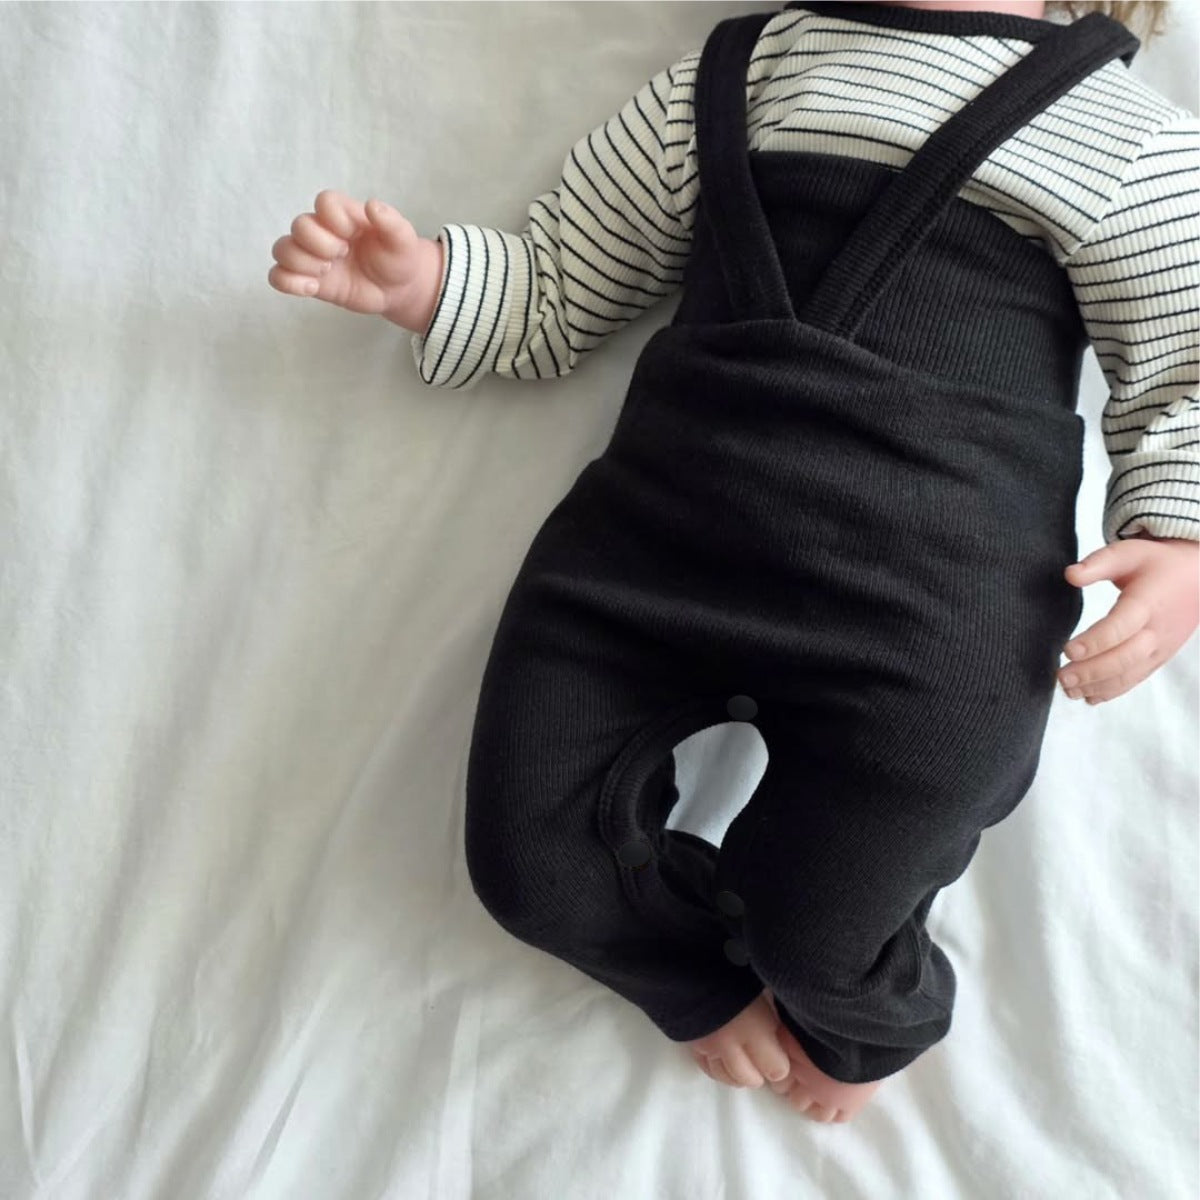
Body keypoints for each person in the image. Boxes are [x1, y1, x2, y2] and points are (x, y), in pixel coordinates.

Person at [268, 1, 1198, 1124]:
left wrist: (1178, 539)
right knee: (531, 864)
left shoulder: (1120, 134)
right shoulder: (731, 77)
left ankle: (867, 1010)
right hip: (648, 565)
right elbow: (560, 287)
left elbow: (1187, 362)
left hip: (929, 617)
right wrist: (423, 285)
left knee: (823, 919)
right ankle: (695, 977)